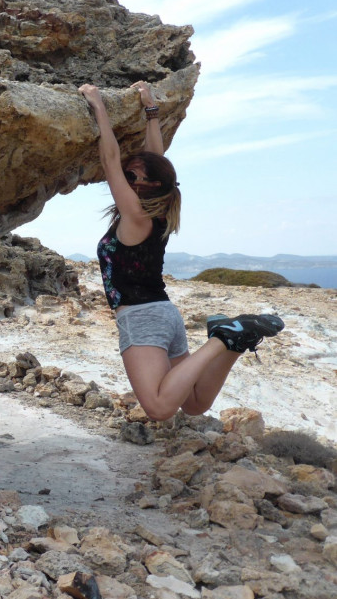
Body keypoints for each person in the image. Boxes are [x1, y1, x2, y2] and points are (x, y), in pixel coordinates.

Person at [78, 81, 284, 422]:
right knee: (194, 404)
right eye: (127, 175)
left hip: (142, 318)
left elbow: (109, 158)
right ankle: (232, 344)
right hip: (164, 314)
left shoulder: (137, 216)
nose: (124, 177)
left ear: (146, 185)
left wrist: (98, 105)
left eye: (133, 175)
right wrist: (150, 110)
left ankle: (222, 338)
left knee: (159, 408)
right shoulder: (156, 213)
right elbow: (156, 160)